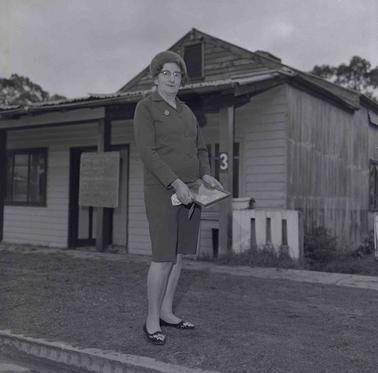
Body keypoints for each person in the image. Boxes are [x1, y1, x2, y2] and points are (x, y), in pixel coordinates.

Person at [133, 50, 222, 345]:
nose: (172, 79)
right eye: (166, 73)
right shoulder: (146, 108)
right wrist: (174, 182)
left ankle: (167, 312)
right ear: (156, 78)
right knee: (162, 256)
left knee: (179, 255)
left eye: (177, 74)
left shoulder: (186, 111)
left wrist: (206, 174)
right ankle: (151, 320)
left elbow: (200, 148)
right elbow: (148, 152)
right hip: (163, 192)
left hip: (192, 190)